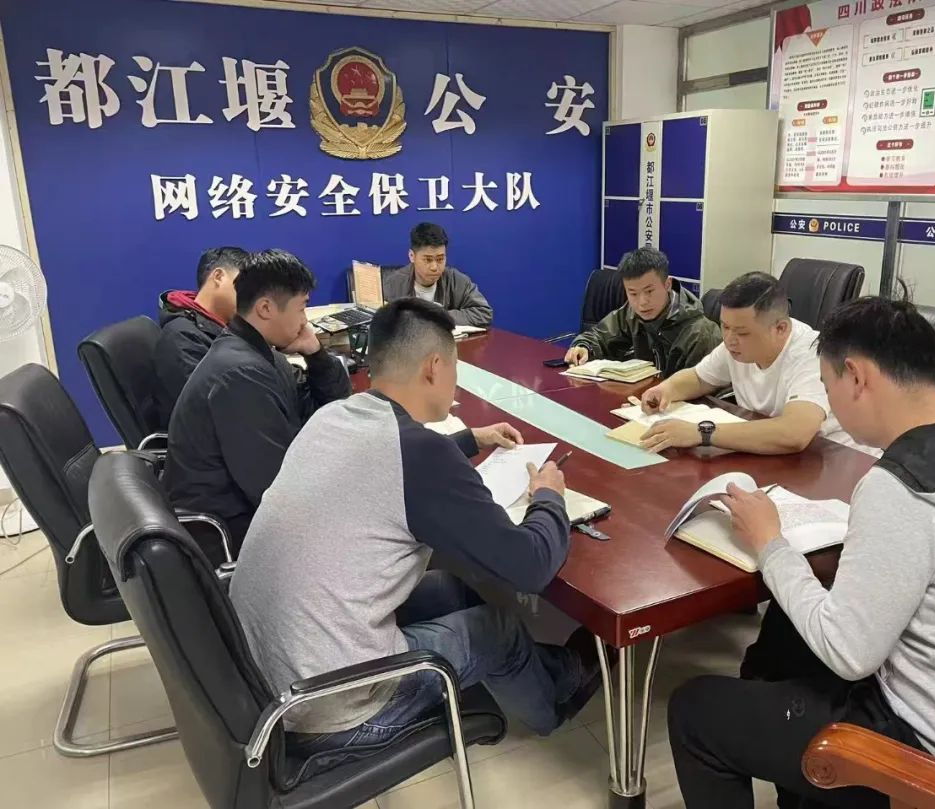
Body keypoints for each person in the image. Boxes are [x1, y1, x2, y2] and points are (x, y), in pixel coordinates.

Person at [667, 295, 935, 809]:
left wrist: (769, 542)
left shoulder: (898, 488)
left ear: (857, 377)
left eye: (828, 385)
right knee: (783, 647)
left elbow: (847, 653)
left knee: (696, 712)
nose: (829, 403)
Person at [230, 298, 601, 747]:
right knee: (496, 631)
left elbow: (382, 466)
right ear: (434, 367)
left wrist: (468, 440)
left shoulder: (333, 416)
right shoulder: (421, 454)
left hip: (263, 673)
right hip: (332, 707)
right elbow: (531, 566)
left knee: (450, 589)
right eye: (455, 367)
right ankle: (555, 701)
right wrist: (548, 496)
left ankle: (535, 669)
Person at [163, 249, 350, 544]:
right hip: (229, 532)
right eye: (302, 308)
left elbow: (328, 406)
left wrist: (315, 354)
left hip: (250, 510)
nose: (305, 321)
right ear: (265, 308)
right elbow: (275, 492)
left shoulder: (261, 354)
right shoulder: (240, 374)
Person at [638, 271, 864, 454]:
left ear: (780, 328)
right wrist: (665, 390)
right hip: (770, 453)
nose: (729, 339)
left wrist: (702, 433)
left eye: (742, 333)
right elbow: (699, 378)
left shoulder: (813, 354)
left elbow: (795, 433)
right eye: (725, 326)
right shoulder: (734, 346)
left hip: (832, 460)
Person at [564, 247, 721, 378]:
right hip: (644, 398)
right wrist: (584, 347)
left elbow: (701, 389)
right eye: (633, 293)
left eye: (649, 291)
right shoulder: (632, 314)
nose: (642, 302)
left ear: (667, 284)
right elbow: (599, 336)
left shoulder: (700, 333)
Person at [153, 246, 247, 424]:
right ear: (218, 277)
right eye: (246, 286)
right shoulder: (182, 338)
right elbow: (216, 410)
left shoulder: (227, 326)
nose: (252, 297)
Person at [381, 222, 493, 327]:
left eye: (440, 259)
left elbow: (484, 313)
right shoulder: (392, 283)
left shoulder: (456, 281)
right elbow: (379, 322)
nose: (434, 267)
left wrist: (439, 316)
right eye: (428, 260)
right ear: (412, 256)